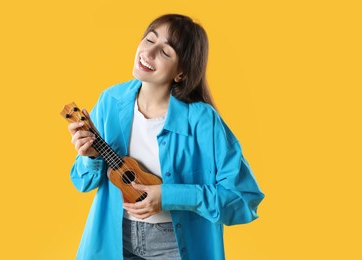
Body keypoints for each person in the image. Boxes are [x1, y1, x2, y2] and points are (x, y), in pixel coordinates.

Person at [67, 14, 264, 260]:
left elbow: (243, 199)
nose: (149, 53)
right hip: (114, 238)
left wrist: (168, 195)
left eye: (165, 52)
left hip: (175, 244)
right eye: (149, 40)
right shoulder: (110, 101)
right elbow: (83, 182)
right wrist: (90, 157)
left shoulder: (203, 120)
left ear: (181, 73)